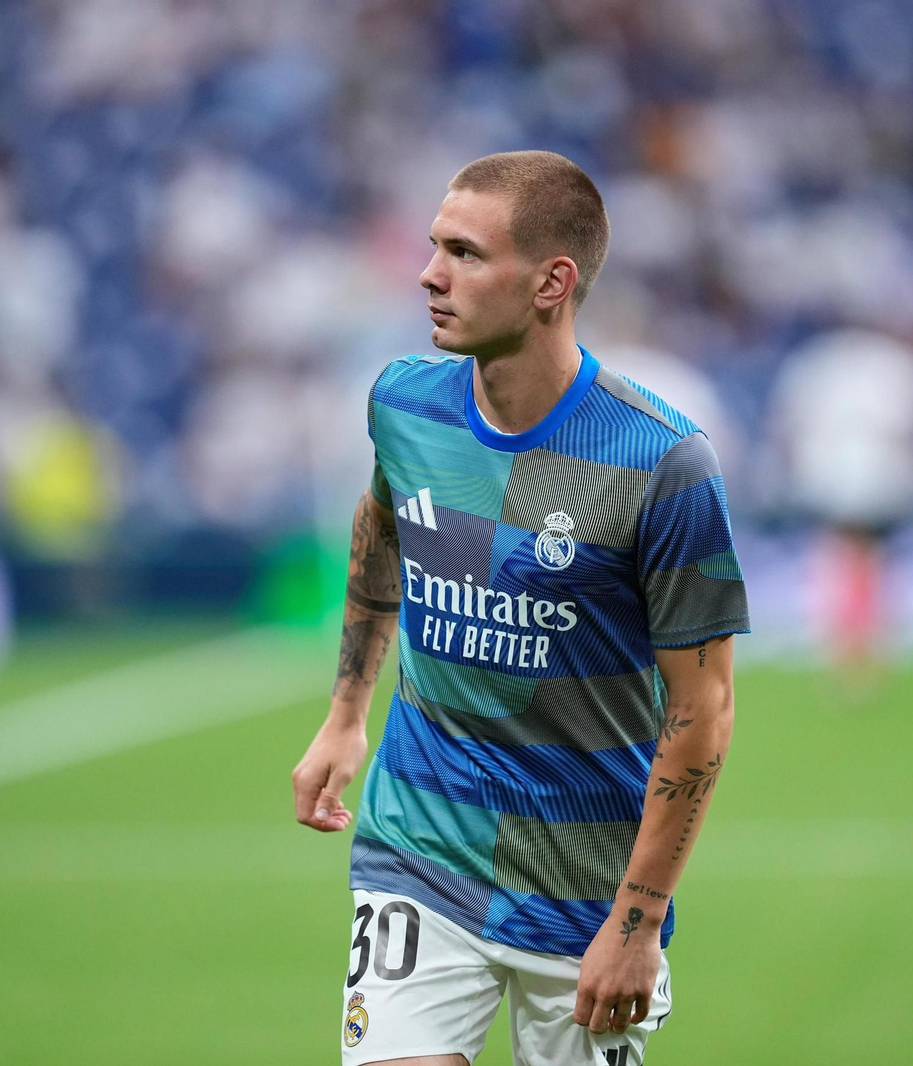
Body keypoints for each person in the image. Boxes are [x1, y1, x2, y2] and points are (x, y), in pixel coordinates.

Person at [292, 150, 749, 1066]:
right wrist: (346, 714)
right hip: (420, 850)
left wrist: (638, 921)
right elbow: (383, 528)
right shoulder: (403, 404)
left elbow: (702, 709)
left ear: (551, 282)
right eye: (434, 246)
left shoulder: (663, 463)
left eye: (464, 253)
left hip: (583, 895)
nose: (430, 274)